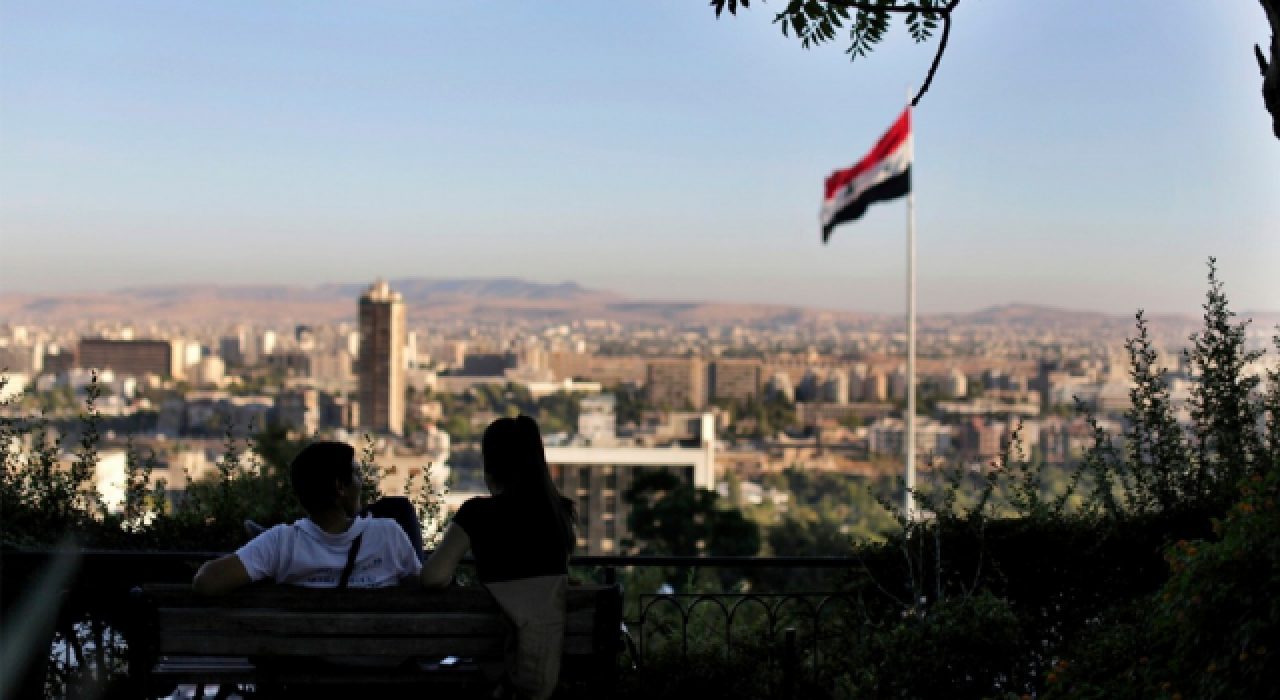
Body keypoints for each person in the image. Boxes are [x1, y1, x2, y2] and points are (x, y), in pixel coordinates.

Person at [419, 415, 577, 700]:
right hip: (551, 665)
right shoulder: (560, 513)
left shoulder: (478, 514)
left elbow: (433, 577)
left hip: (495, 663)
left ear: (490, 465)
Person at [192, 441, 422, 595]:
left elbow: (206, 582)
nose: (361, 483)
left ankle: (260, 537)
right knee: (398, 507)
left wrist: (266, 564)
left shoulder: (281, 542)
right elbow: (422, 585)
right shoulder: (388, 534)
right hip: (379, 653)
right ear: (340, 486)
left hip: (304, 654)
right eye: (356, 474)